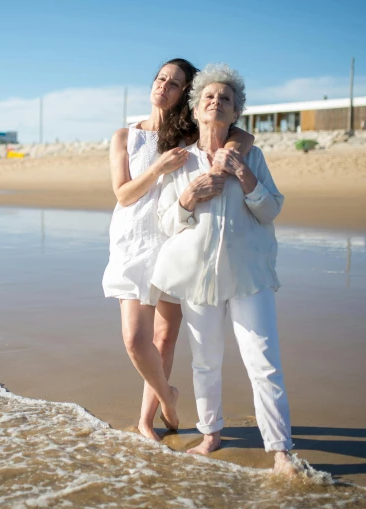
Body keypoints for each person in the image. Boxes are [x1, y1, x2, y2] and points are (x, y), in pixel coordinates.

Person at [150, 63, 296, 473]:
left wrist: (245, 177)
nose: (217, 102)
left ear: (235, 114)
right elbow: (165, 222)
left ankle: (280, 450)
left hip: (250, 276)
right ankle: (211, 433)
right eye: (209, 97)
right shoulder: (179, 163)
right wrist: (188, 197)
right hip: (198, 279)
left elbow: (271, 210)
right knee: (205, 360)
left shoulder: (253, 155)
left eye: (226, 99)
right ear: (196, 109)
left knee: (263, 362)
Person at [102, 59, 253, 441]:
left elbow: (243, 137)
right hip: (133, 242)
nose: (164, 86)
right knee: (136, 340)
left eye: (174, 84)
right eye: (160, 79)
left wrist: (226, 153)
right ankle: (168, 396)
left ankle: (146, 420)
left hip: (176, 240)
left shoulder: (189, 135)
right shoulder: (125, 136)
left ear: (184, 94)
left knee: (164, 338)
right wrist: (158, 168)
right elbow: (123, 195)